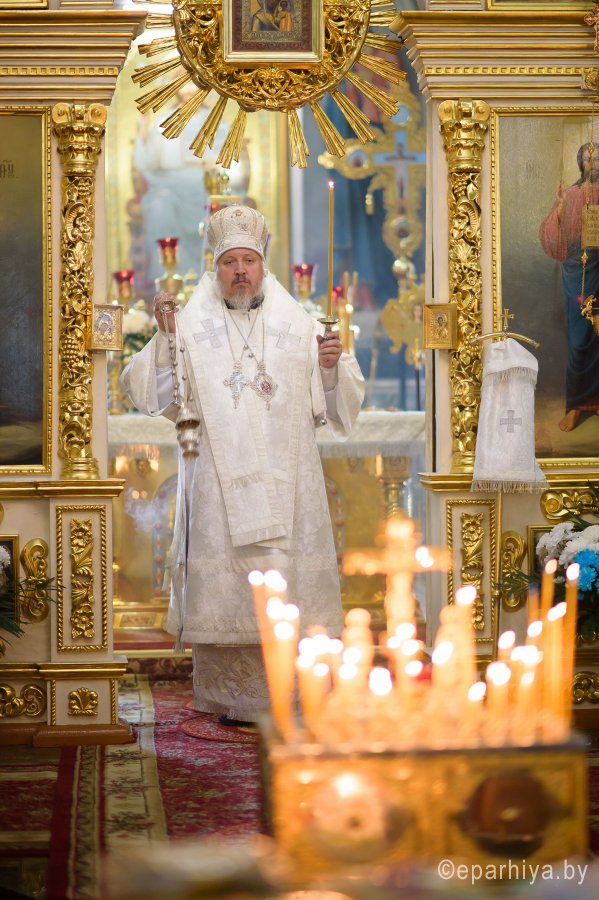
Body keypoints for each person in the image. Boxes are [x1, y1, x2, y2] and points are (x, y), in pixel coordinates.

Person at [121, 205, 365, 725]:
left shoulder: (298, 325)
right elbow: (155, 395)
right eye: (229, 262)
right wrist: (165, 337)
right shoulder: (191, 323)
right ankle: (230, 697)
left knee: (286, 580)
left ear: (262, 266)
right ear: (216, 268)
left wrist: (328, 369)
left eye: (248, 261)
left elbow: (335, 403)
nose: (239, 272)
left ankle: (290, 693)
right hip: (216, 481)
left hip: (288, 481)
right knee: (228, 587)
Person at [539, 141, 599, 432]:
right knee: (579, 339)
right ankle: (577, 405)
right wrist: (561, 207)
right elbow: (553, 239)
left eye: (597, 159)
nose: (593, 164)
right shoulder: (572, 194)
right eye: (588, 159)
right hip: (579, 270)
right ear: (580, 163)